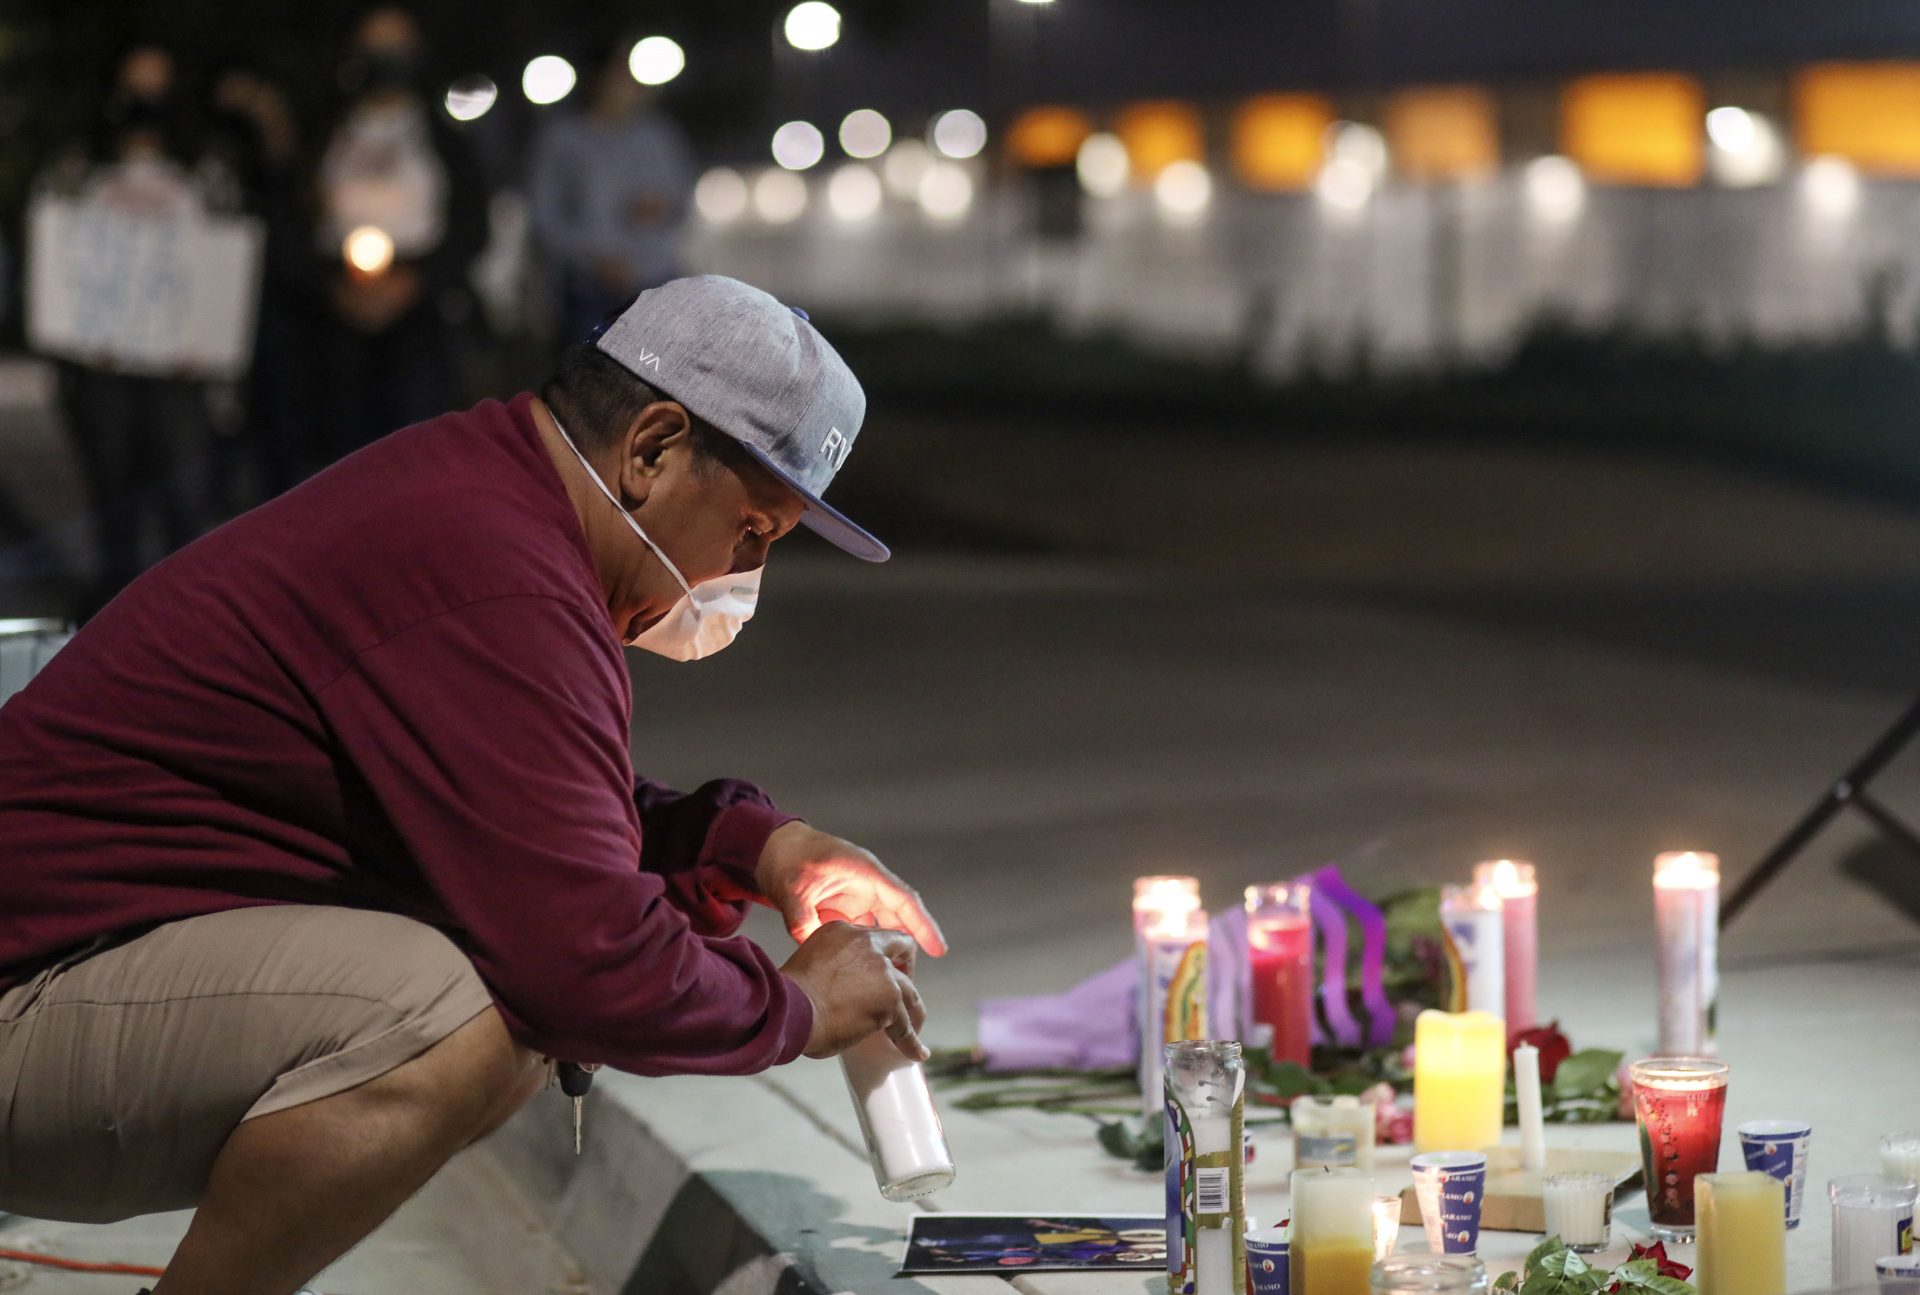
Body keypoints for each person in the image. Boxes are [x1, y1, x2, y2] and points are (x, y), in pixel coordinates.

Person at [0, 276, 939, 1292]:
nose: (748, 567)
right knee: (466, 1014)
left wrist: (755, 846)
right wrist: (797, 1007)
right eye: (756, 526)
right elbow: (585, 957)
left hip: (67, 970)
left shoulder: (484, 502)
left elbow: (529, 818)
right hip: (27, 996)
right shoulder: (500, 574)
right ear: (654, 448)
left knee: (501, 981)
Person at [36, 45, 229, 614]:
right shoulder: (77, 169)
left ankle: (186, 612)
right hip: (103, 368)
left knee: (184, 497)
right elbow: (53, 248)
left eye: (158, 92)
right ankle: (115, 614)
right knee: (113, 495)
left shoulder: (206, 171)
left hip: (179, 370)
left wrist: (212, 335)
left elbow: (228, 259)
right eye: (132, 92)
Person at [313, 8, 489, 457]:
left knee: (415, 445)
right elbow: (294, 223)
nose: (386, 60)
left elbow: (472, 224)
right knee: (341, 450)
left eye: (397, 47)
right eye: (375, 47)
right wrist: (330, 287)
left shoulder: (444, 139)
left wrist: (416, 283)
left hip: (420, 312)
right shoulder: (322, 135)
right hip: (337, 311)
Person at [529, 40, 697, 340]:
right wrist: (593, 260)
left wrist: (661, 208)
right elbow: (545, 215)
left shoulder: (659, 136)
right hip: (586, 289)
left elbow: (681, 202)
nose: (630, 84)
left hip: (654, 283)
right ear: (597, 79)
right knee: (592, 376)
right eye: (621, 73)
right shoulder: (562, 139)